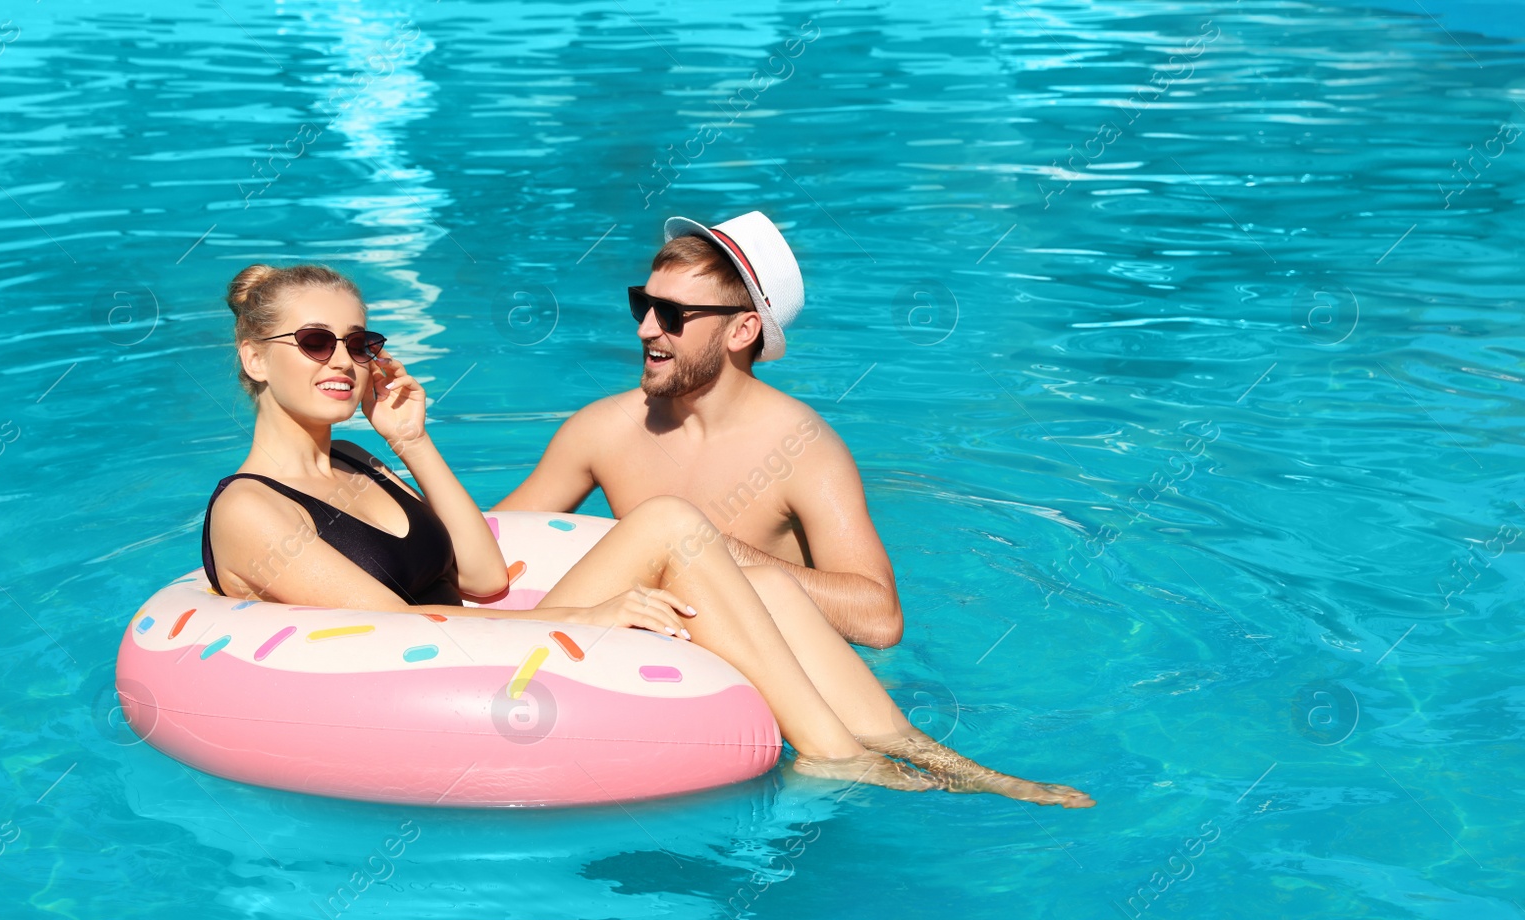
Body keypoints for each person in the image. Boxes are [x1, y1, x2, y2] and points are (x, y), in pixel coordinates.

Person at [200, 262, 1093, 806]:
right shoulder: (252, 510)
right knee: (668, 523)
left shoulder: (362, 464)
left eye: (359, 340)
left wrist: (412, 441)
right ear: (254, 357)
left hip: (481, 632)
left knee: (760, 575)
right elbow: (399, 629)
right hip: (437, 674)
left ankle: (929, 756)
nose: (344, 362)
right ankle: (835, 756)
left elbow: (476, 576)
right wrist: (592, 618)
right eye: (315, 342)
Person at [494, 212, 904, 649]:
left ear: (742, 330)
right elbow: (487, 548)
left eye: (671, 314)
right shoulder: (604, 430)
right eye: (643, 304)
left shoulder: (802, 450)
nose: (645, 328)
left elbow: (879, 619)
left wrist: (718, 552)